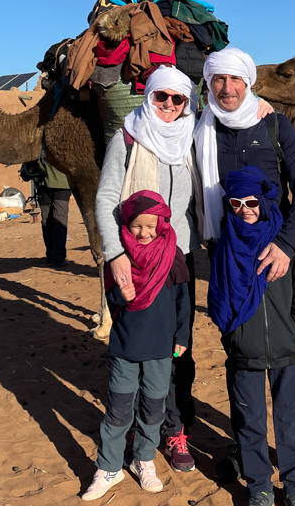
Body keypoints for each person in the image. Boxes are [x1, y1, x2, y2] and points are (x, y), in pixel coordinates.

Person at [193, 47, 295, 497]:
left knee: (290, 350)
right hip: (228, 257)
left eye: (235, 80)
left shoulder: (272, 124)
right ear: (209, 84)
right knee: (244, 353)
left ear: (248, 83)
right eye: (219, 81)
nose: (228, 89)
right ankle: (251, 456)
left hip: (278, 252)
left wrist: (288, 244)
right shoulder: (199, 130)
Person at [95, 65, 204, 472]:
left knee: (179, 345)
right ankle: (128, 435)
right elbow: (107, 198)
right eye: (163, 97)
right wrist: (114, 253)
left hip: (179, 257)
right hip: (135, 256)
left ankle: (174, 431)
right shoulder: (127, 138)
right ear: (149, 97)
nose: (170, 106)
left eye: (179, 99)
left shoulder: (191, 137)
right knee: (134, 342)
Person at [81, 190, 190, 501]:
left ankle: (144, 459)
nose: (144, 233)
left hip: (160, 348)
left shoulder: (173, 256)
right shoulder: (119, 261)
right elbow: (111, 299)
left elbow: (184, 303)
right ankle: (109, 467)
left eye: (150, 226)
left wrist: (182, 337)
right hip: (125, 348)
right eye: (136, 227)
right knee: (117, 411)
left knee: (153, 410)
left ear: (162, 223)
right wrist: (120, 295)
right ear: (125, 227)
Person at [208, 166, 295, 506]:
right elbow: (217, 301)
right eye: (236, 203)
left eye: (251, 202)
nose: (245, 209)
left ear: (262, 201)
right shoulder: (224, 248)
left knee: (289, 422)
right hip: (243, 351)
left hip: (286, 348)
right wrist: (233, 337)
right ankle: (260, 486)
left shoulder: (283, 244)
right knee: (250, 423)